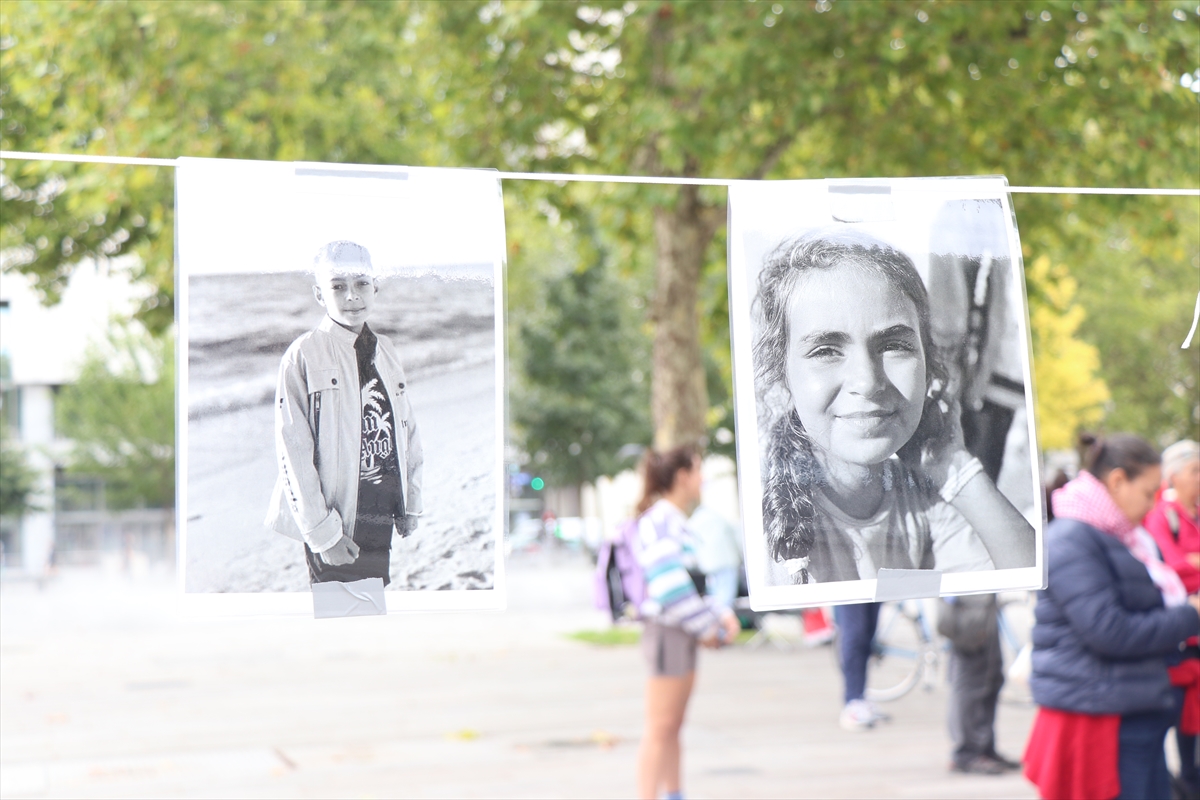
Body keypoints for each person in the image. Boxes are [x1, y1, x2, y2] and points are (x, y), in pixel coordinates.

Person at [751, 230, 1035, 586]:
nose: (868, 381)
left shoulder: (923, 496)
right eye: (826, 351)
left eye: (893, 345)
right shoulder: (765, 519)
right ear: (782, 374)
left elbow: (1026, 581)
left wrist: (955, 468)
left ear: (929, 363)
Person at [1023, 434, 1200, 800]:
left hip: (1125, 704)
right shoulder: (1072, 538)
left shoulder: (1115, 535)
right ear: (1118, 481)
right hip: (1103, 714)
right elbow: (1110, 631)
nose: (1152, 505)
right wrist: (1189, 615)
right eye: (1149, 493)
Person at [265, 241, 423, 586]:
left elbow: (406, 430)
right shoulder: (303, 354)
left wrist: (409, 502)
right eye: (338, 286)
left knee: (373, 601)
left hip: (380, 510)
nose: (352, 296)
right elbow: (293, 452)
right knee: (339, 609)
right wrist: (324, 535)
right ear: (319, 294)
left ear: (375, 288)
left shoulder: (386, 350)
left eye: (361, 284)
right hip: (337, 516)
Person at [634, 445, 740, 800]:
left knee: (671, 725)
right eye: (698, 470)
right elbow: (668, 586)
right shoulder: (661, 520)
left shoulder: (675, 521)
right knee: (661, 726)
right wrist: (707, 627)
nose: (702, 478)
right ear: (682, 477)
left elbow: (690, 586)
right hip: (669, 631)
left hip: (680, 630)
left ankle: (674, 793)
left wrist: (718, 616)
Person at [1144, 440, 1200, 799]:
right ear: (1173, 476)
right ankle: (1186, 782)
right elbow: (1170, 568)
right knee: (1179, 714)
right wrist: (1188, 564)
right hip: (1181, 639)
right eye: (1195, 470)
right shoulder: (1163, 516)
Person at [940, 593, 1021, 774]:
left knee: (991, 676)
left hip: (981, 596)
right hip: (968, 599)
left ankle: (983, 747)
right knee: (971, 679)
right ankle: (967, 752)